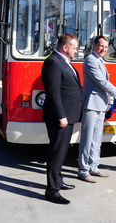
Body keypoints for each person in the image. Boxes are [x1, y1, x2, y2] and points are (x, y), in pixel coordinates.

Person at [78, 36, 116, 183]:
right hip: (91, 105)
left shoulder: (100, 60)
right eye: (101, 46)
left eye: (106, 47)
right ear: (94, 45)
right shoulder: (90, 60)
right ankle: (83, 170)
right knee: (87, 139)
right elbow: (102, 82)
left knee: (96, 139)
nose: (104, 49)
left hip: (100, 105)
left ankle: (93, 167)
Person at [41, 33, 83, 205]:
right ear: (65, 48)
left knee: (62, 151)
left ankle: (58, 180)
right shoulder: (53, 63)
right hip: (60, 117)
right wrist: (61, 116)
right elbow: (53, 93)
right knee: (56, 153)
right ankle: (52, 191)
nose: (76, 51)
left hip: (68, 115)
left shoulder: (64, 62)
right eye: (74, 48)